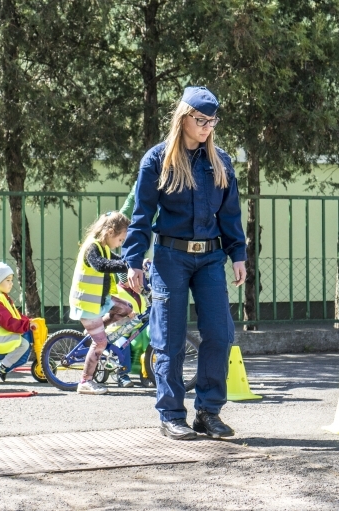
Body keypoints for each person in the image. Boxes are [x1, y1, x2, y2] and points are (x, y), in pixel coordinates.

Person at [123, 86, 247, 440]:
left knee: (220, 334)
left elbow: (231, 213)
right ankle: (171, 414)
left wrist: (238, 254)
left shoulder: (220, 162)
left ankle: (208, 412)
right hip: (169, 258)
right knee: (169, 339)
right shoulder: (158, 159)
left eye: (213, 121)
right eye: (201, 120)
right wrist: (133, 260)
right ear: (184, 118)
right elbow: (141, 214)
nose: (208, 126)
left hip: (210, 258)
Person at [69, 211, 136, 394]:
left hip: (100, 300)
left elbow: (120, 261)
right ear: (110, 231)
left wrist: (136, 263)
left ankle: (96, 330)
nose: (120, 244)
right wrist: (126, 266)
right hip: (87, 303)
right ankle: (85, 382)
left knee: (126, 308)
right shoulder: (92, 247)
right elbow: (101, 265)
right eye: (121, 240)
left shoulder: (104, 247)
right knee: (100, 344)